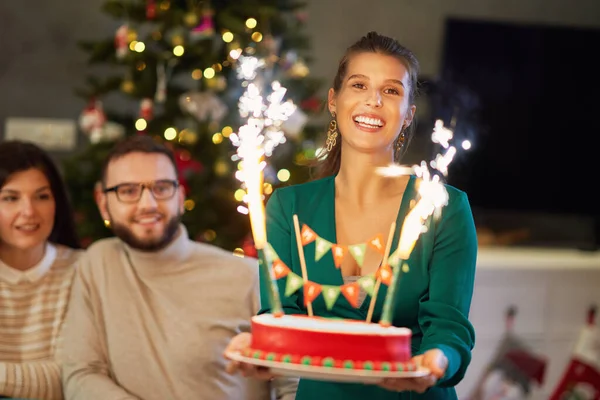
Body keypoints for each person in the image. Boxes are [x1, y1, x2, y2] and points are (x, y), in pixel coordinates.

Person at [226, 31, 478, 398]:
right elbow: (281, 319)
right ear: (334, 100)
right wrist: (259, 351)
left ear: (408, 114)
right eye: (359, 85)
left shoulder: (445, 208)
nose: (373, 100)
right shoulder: (287, 208)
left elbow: (449, 330)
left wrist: (435, 361)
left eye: (391, 90)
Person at [60, 135, 295, 400]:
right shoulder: (98, 264)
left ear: (180, 197)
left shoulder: (249, 276)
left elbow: (295, 383)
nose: (148, 204)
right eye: (128, 191)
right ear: (103, 203)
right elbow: (80, 373)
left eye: (161, 188)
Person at [0, 140, 82, 399]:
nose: (28, 212)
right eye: (11, 198)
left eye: (42, 196)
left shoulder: (84, 271)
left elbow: (75, 377)